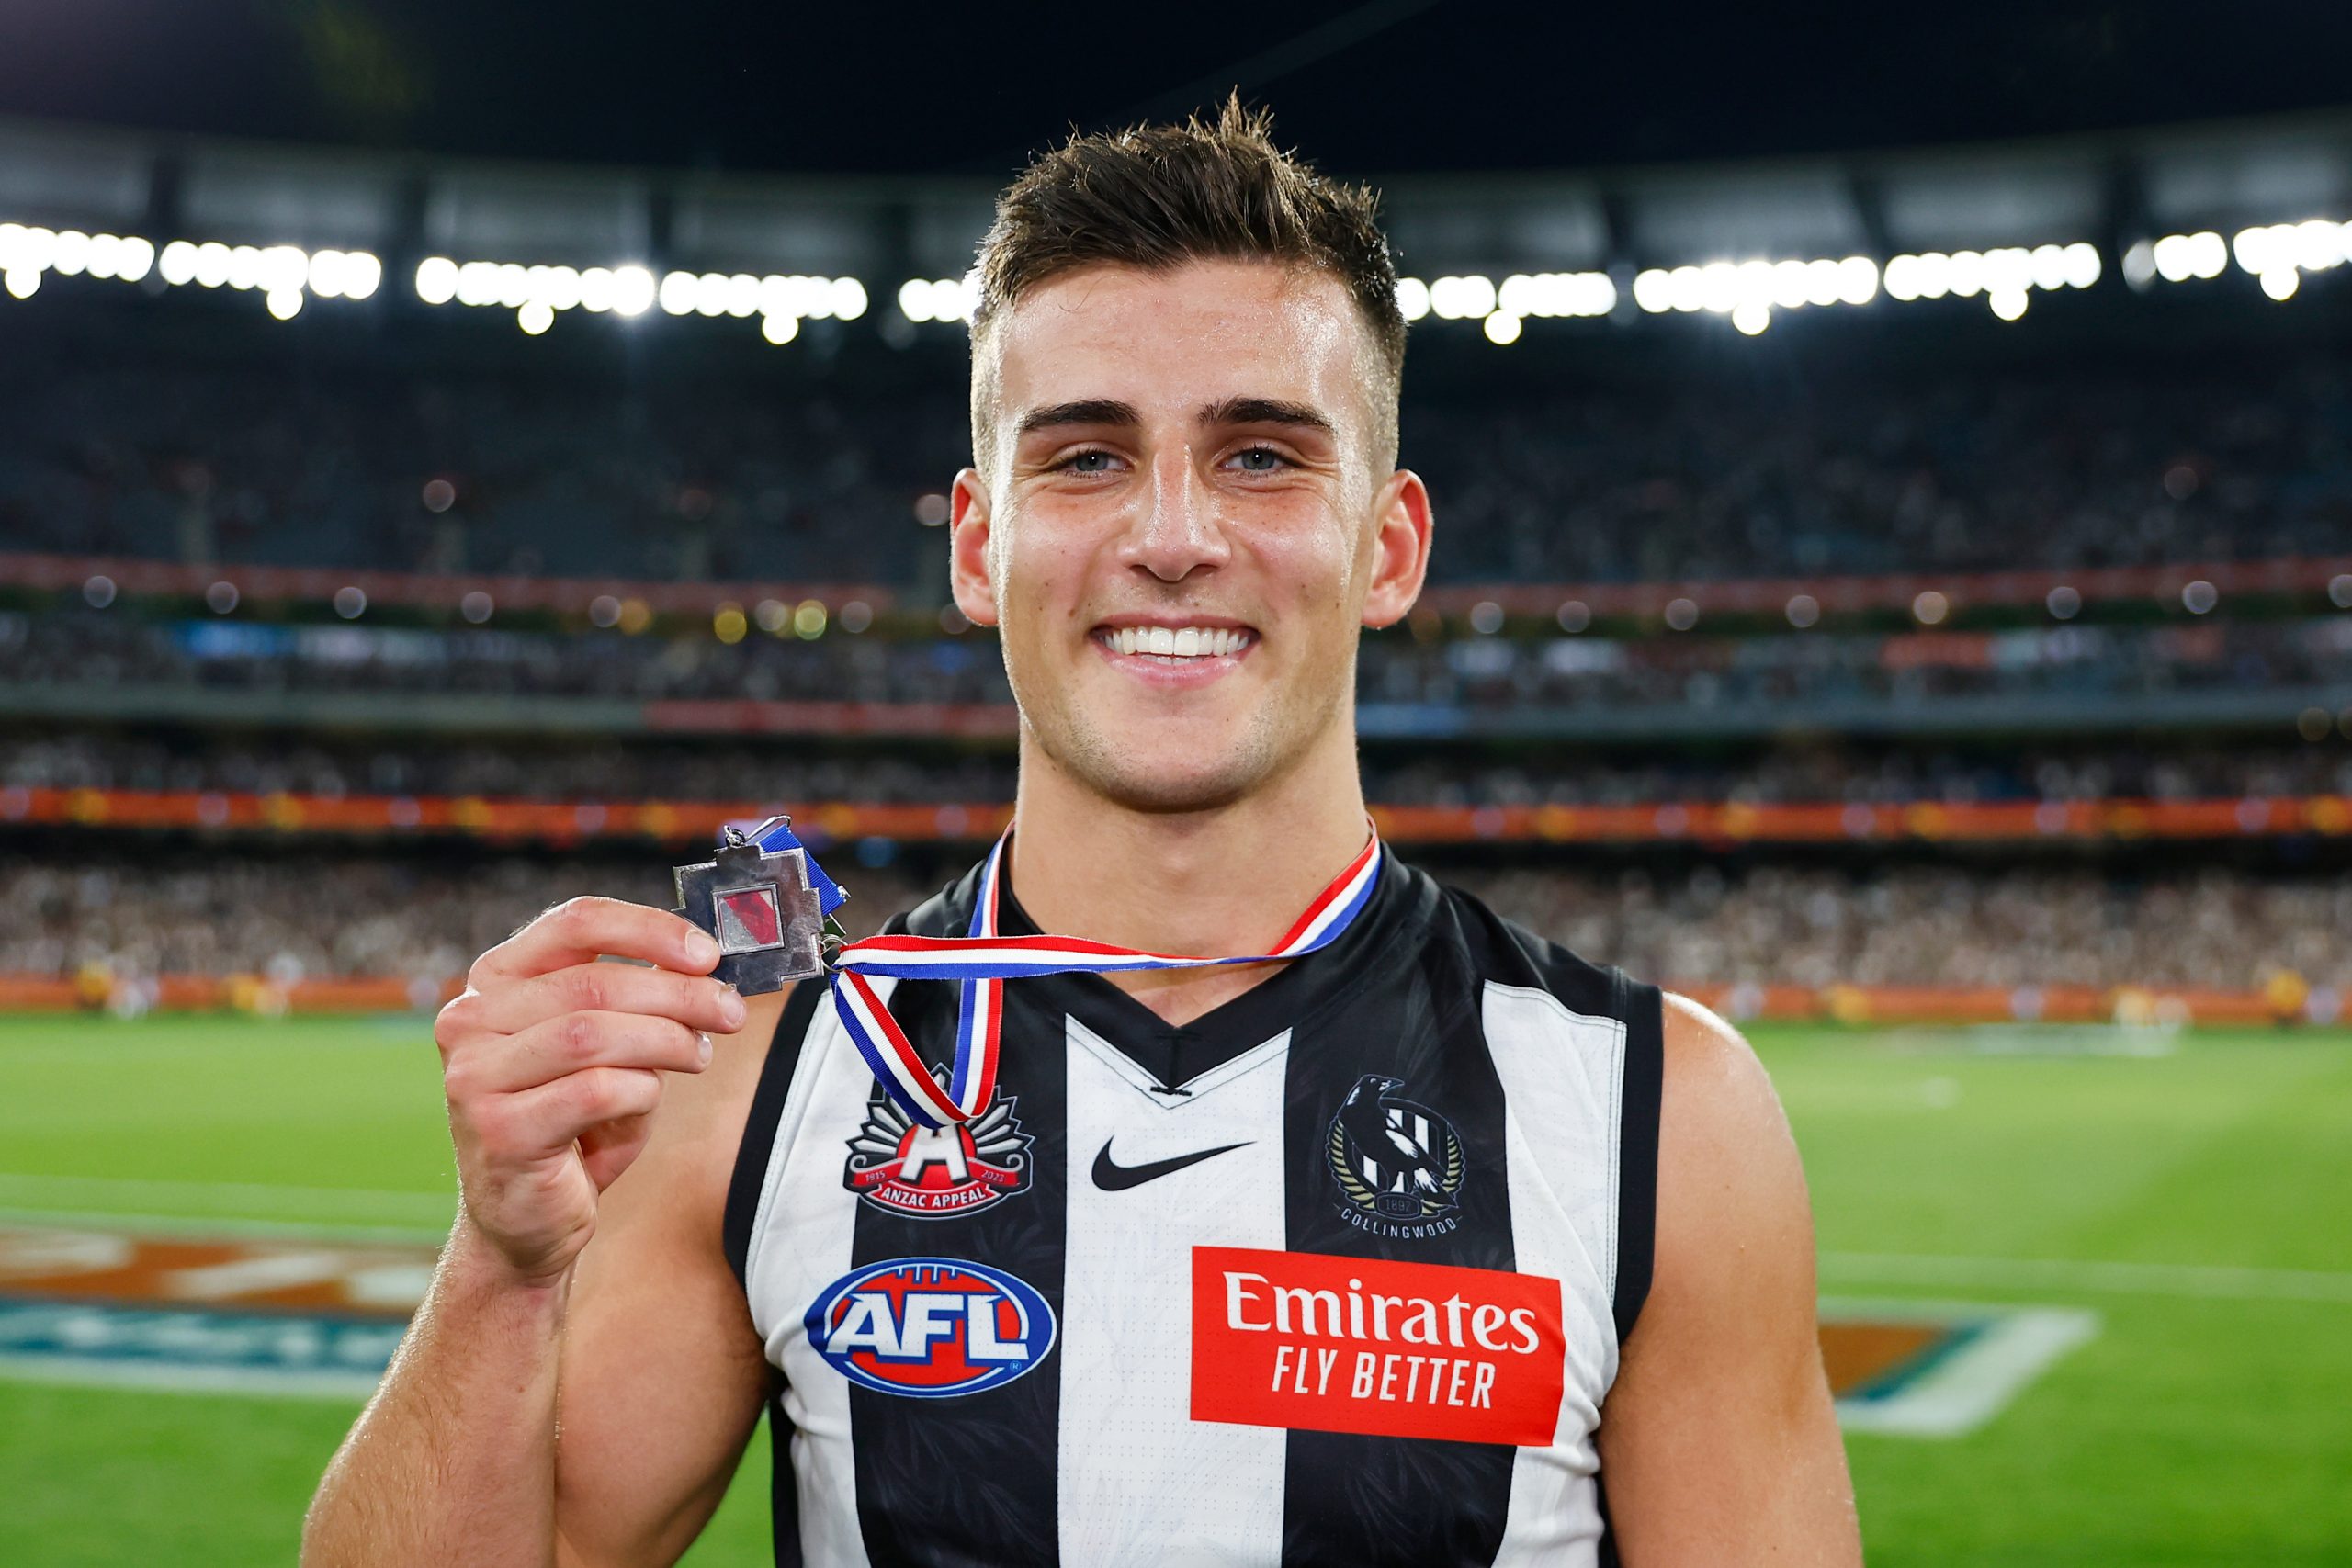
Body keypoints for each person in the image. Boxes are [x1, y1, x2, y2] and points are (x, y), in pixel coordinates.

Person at [303, 102, 1861, 1567]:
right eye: (1085, 455)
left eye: (1262, 454)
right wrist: (500, 1273)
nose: (1172, 537)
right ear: (979, 548)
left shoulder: (1665, 1117)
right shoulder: (756, 1081)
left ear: (1387, 546)